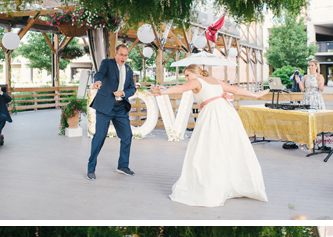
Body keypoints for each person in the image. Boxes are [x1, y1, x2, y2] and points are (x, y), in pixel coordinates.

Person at [153, 64, 270, 208]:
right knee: (230, 147)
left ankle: (213, 185)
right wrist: (255, 95)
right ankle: (236, 183)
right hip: (227, 112)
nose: (187, 79)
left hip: (212, 113)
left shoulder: (196, 81)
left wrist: (162, 92)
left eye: (187, 75)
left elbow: (181, 88)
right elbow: (236, 90)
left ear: (195, 73)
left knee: (209, 149)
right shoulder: (214, 80)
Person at [87, 44, 136, 180]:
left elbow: (132, 88)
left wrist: (124, 93)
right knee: (100, 137)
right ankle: (91, 168)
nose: (123, 58)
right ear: (115, 54)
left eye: (125, 55)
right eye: (121, 55)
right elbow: (100, 73)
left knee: (127, 136)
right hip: (105, 107)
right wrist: (97, 81)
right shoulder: (107, 63)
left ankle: (123, 166)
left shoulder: (129, 69)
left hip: (120, 108)